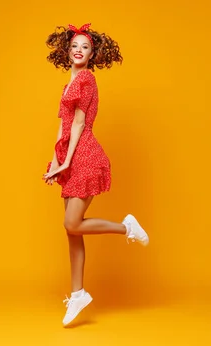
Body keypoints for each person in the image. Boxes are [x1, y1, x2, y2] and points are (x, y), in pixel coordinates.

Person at [43, 23, 150, 327]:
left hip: (86, 155)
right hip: (71, 157)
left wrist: (67, 162)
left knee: (72, 222)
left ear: (93, 54)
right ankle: (77, 293)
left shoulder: (86, 79)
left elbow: (77, 125)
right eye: (74, 46)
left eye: (84, 47)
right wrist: (55, 161)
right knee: (72, 231)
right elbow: (62, 126)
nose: (78, 50)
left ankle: (126, 227)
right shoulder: (70, 80)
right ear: (67, 50)